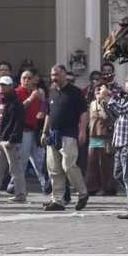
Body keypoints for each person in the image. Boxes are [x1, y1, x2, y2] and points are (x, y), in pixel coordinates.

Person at [41, 65, 89, 211]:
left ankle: (83, 194)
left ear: (64, 74)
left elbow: (84, 113)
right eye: (52, 75)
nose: (54, 78)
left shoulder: (76, 92)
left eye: (56, 74)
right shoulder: (52, 92)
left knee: (68, 166)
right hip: (52, 135)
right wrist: (44, 132)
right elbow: (48, 114)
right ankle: (58, 201)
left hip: (69, 134)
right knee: (54, 170)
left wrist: (82, 131)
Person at [101, 80, 128, 218]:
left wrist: (109, 97)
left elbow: (121, 110)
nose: (126, 88)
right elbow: (115, 115)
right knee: (118, 175)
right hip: (119, 143)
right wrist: (104, 101)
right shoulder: (125, 100)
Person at [0, 75, 26, 202]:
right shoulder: (0, 102)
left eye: (4, 85)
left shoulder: (16, 104)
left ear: (10, 86)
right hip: (0, 141)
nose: (1, 87)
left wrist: (12, 140)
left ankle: (20, 195)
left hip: (10, 142)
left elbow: (18, 124)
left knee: (15, 170)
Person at [14, 69, 50, 194]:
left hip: (36, 130)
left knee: (40, 160)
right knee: (22, 161)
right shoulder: (17, 92)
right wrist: (31, 98)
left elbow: (45, 108)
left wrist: (42, 103)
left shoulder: (38, 92)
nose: (26, 81)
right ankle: (17, 188)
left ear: (34, 80)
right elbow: (17, 110)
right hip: (23, 131)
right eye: (24, 78)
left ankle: (46, 187)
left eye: (29, 78)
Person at [86, 85, 117, 196]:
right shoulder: (92, 104)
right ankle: (92, 187)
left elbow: (107, 116)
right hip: (94, 135)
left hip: (105, 135)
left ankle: (107, 188)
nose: (98, 92)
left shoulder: (109, 103)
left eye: (101, 90)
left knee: (106, 163)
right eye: (97, 90)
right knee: (92, 162)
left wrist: (102, 102)